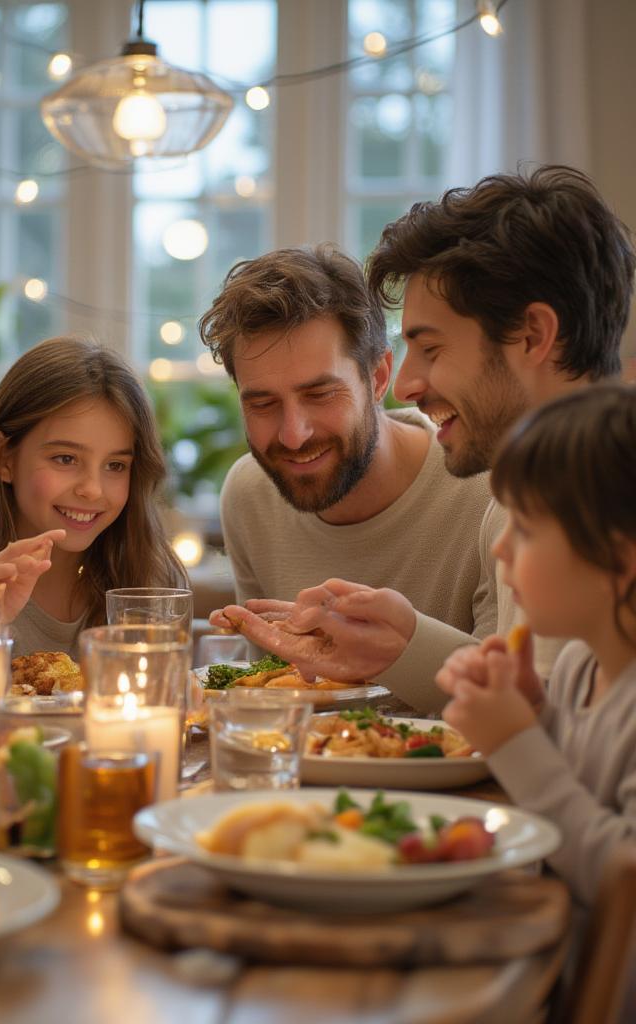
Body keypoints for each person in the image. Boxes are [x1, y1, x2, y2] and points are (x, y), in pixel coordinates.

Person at [218, 166, 635, 707]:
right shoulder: (528, 500)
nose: (408, 385)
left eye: (432, 348)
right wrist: (403, 645)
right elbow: (552, 735)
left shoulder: (568, 503)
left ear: (533, 336)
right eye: (263, 402)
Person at [200, 246, 495, 711]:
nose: (293, 435)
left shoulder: (486, 489)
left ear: (378, 378)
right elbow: (277, 696)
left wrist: (400, 650)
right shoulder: (249, 493)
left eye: (320, 394)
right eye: (262, 404)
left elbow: (525, 705)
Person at [436, 383, 636, 909]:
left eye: (522, 528)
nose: (500, 546)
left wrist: (515, 743)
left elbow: (622, 876)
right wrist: (536, 715)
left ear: (617, 561)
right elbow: (582, 789)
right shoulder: (577, 667)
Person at [0, 336, 187, 658]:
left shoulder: (152, 574)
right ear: (3, 458)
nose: (92, 489)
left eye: (116, 465)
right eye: (65, 459)